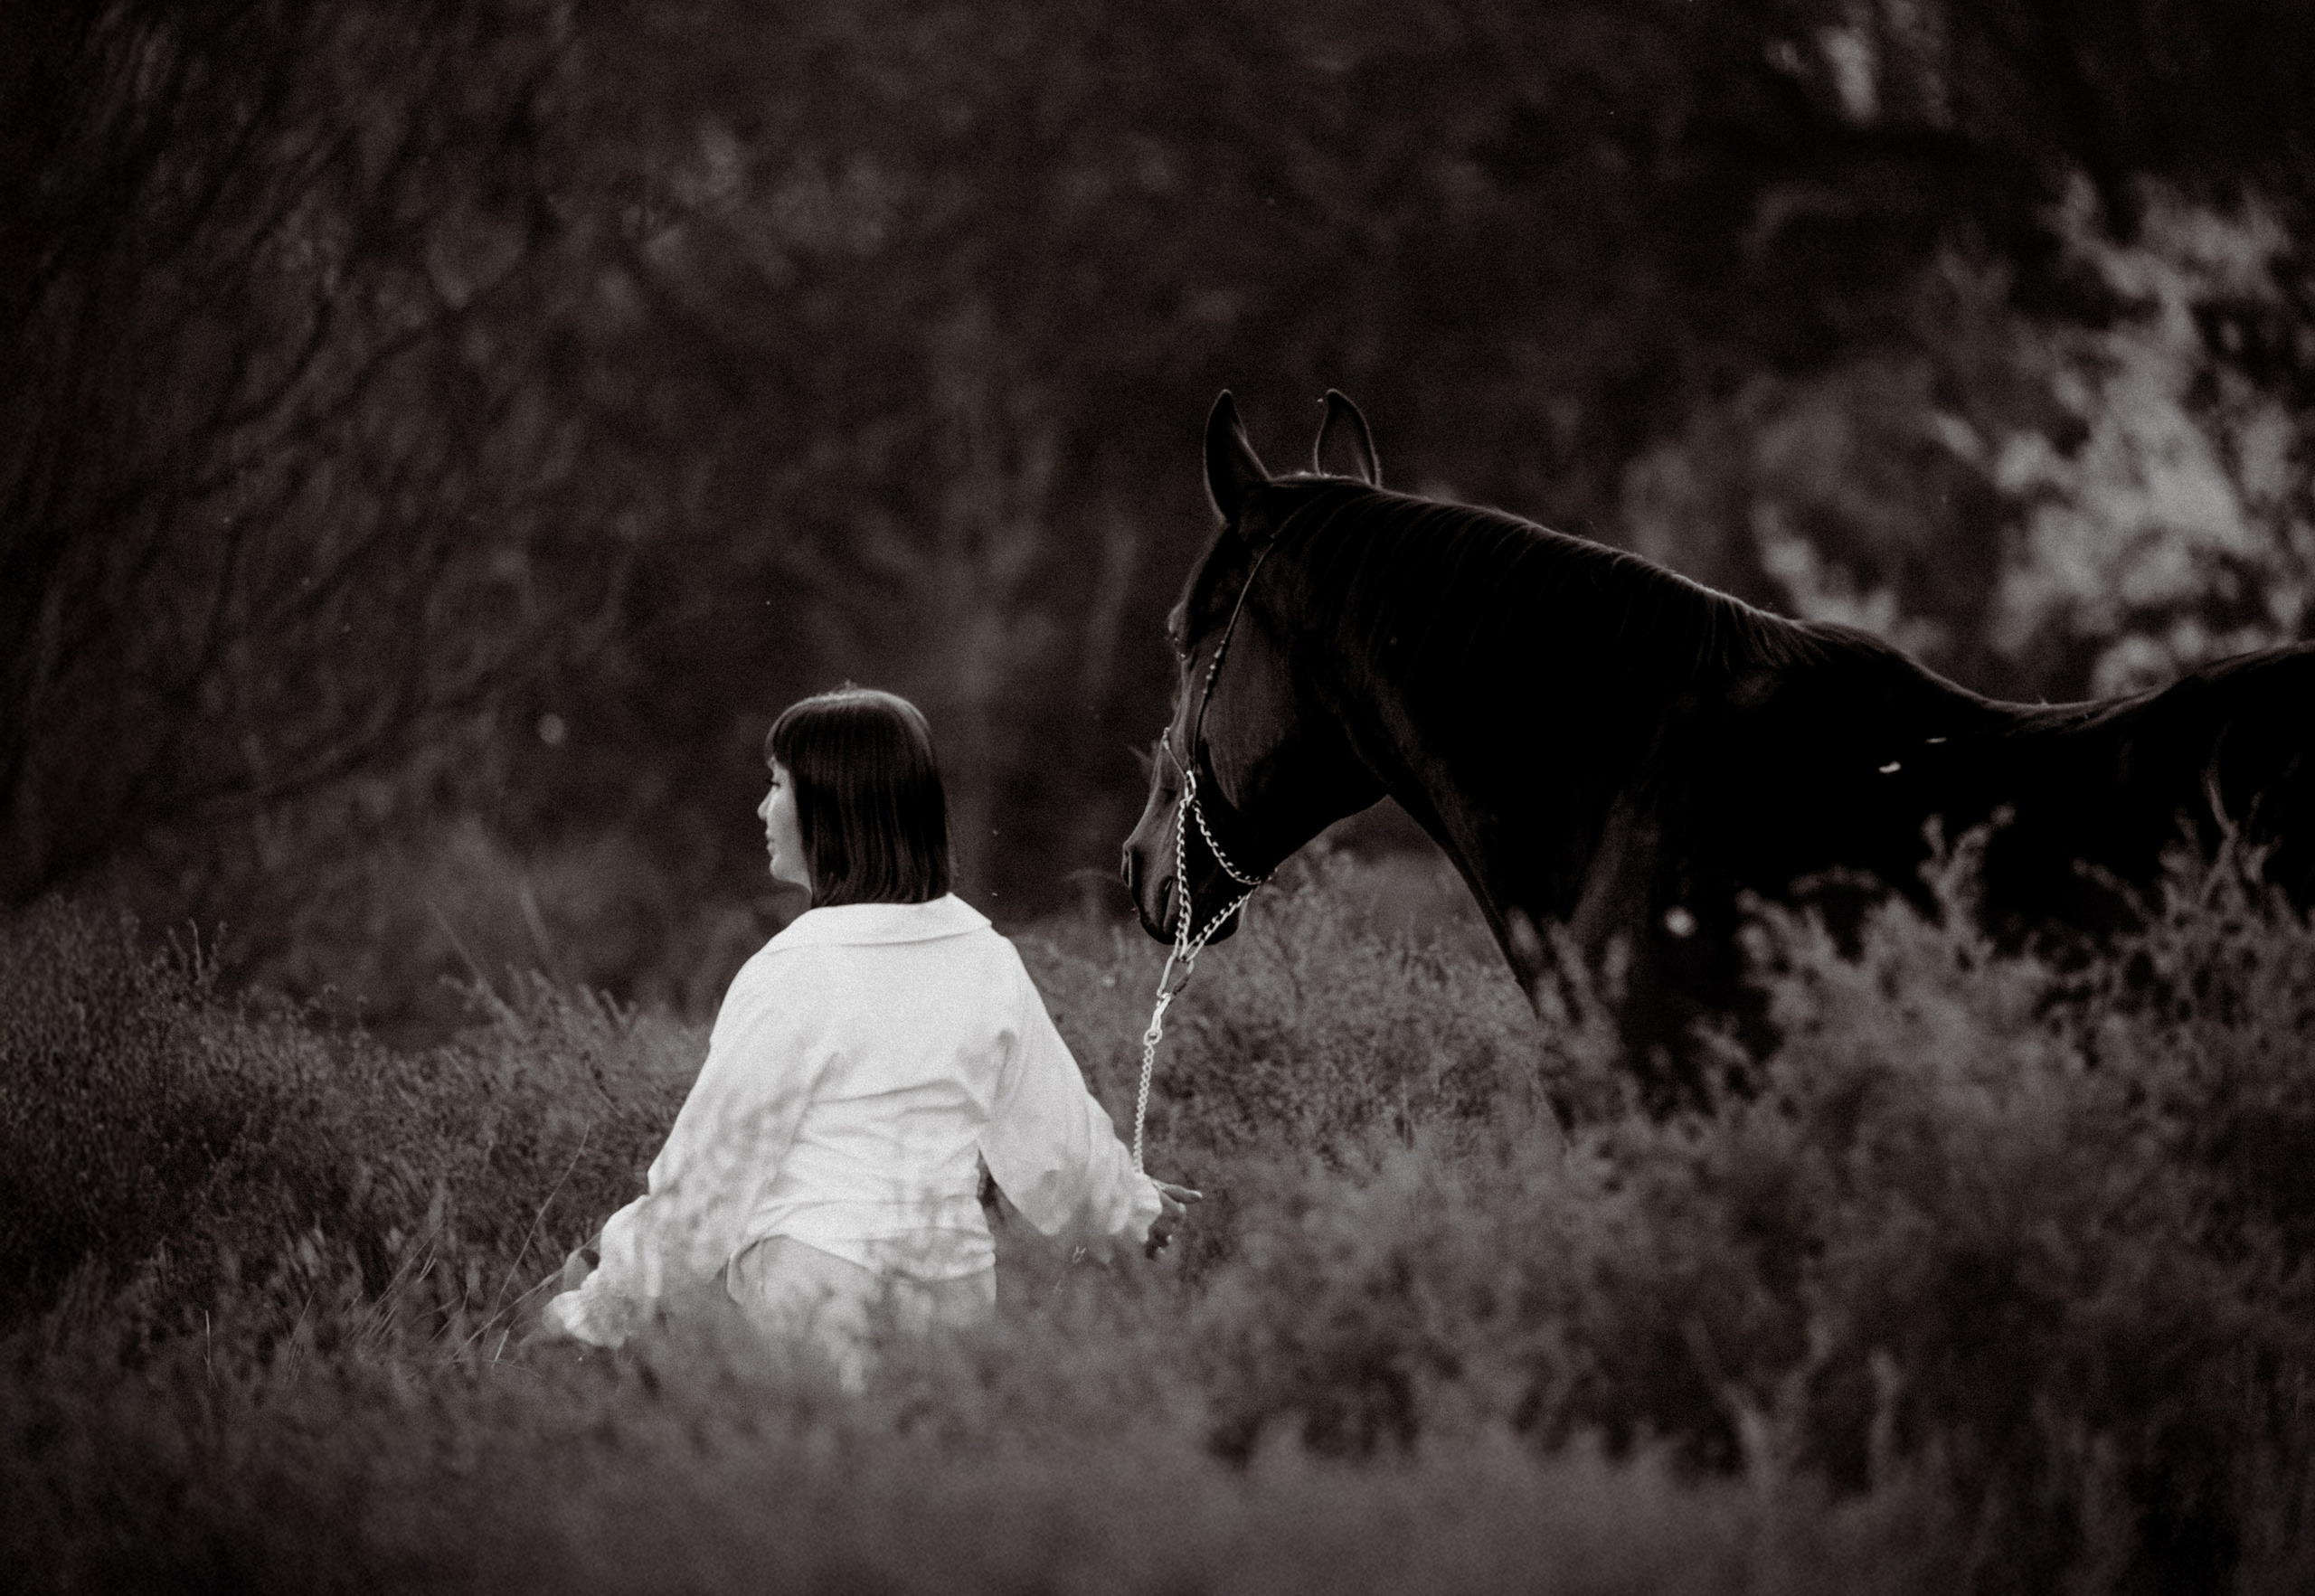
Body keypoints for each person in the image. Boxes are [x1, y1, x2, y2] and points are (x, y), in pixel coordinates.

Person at [532, 685, 1195, 1384]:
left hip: (815, 1313)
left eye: (778, 785)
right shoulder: (985, 955)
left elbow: (706, 1190)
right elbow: (1060, 1152)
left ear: (831, 804)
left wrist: (593, 1311)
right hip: (955, 1313)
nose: (762, 808)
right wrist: (1139, 1214)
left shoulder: (791, 973)